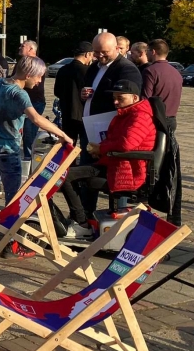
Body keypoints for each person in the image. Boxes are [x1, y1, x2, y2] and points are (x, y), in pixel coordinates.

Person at [0, 56, 72, 257]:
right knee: (13, 197)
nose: (40, 81)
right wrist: (63, 134)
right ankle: (11, 243)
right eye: (39, 77)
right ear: (28, 74)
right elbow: (36, 119)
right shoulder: (20, 94)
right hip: (8, 150)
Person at [61, 80, 155, 235]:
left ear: (135, 98)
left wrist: (102, 148)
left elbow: (127, 144)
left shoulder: (140, 116)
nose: (116, 102)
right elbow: (113, 140)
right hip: (113, 163)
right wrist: (100, 150)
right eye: (114, 98)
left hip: (127, 170)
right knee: (64, 174)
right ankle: (80, 218)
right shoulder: (124, 115)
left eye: (120, 98)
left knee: (65, 176)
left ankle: (81, 223)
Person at [143, 38, 184, 226]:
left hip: (156, 121)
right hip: (172, 120)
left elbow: (145, 99)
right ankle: (170, 208)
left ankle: (150, 198)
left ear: (153, 52)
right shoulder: (176, 73)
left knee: (155, 166)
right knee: (170, 165)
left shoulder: (151, 71)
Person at [53, 41, 93, 145]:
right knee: (86, 145)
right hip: (84, 114)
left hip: (67, 113)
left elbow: (57, 92)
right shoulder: (88, 71)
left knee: (68, 144)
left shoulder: (62, 70)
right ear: (87, 54)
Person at [17, 41, 46, 163]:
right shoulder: (22, 63)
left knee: (29, 133)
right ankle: (27, 158)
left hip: (34, 102)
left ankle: (30, 160)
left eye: (23, 46)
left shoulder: (37, 64)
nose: (20, 47)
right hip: (22, 101)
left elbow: (36, 86)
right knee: (22, 132)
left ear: (31, 49)